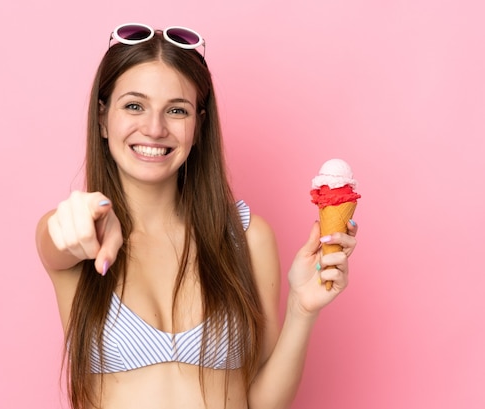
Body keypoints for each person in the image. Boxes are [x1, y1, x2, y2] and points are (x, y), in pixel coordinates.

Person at [35, 23, 358, 409]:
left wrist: (301, 311)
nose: (154, 129)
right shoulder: (78, 231)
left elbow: (259, 402)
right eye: (134, 106)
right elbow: (58, 241)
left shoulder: (247, 237)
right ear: (103, 118)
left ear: (199, 126)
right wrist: (76, 223)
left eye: (176, 110)